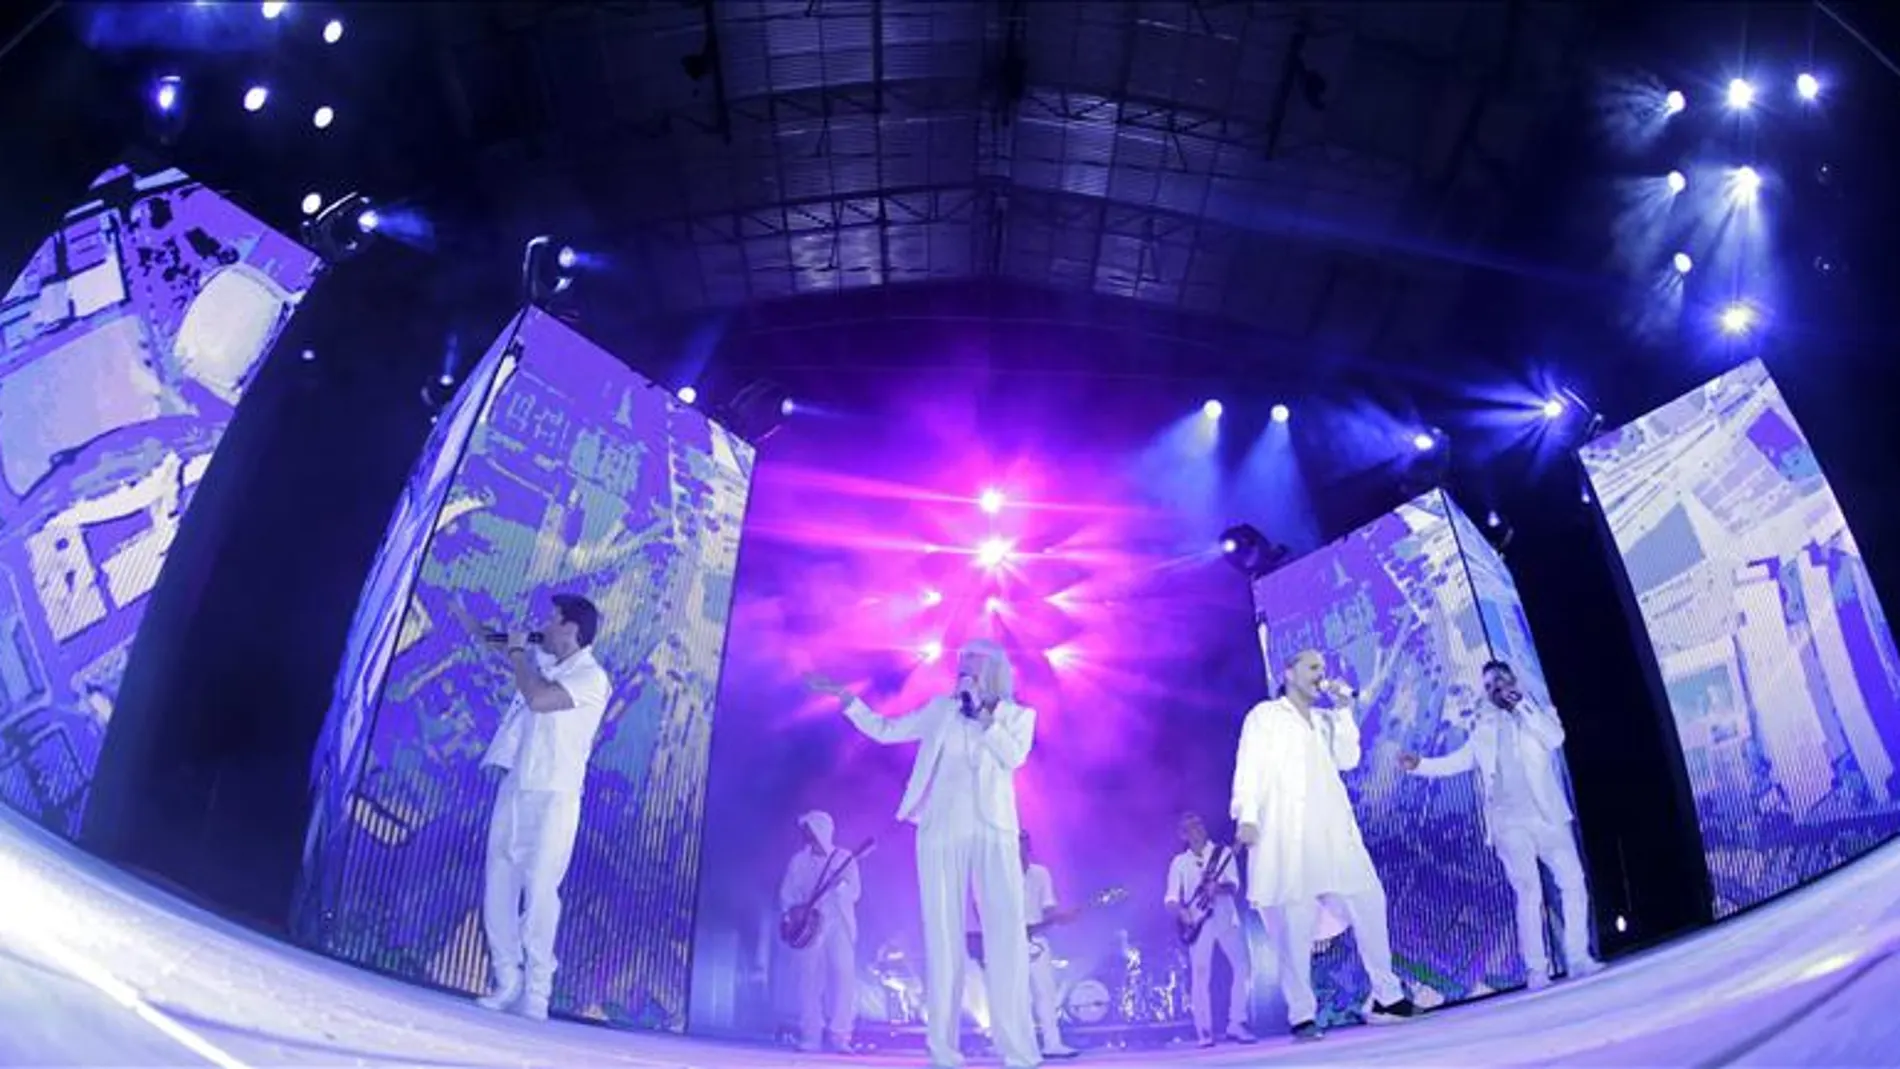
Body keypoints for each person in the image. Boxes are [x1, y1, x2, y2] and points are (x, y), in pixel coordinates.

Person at [808, 639, 1042, 1069]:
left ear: (992, 672)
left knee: (1006, 936)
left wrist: (984, 715)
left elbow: (1013, 756)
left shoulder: (1017, 716)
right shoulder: (940, 711)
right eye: (960, 667)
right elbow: (886, 730)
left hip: (995, 832)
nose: (963, 673)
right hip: (940, 831)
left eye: (971, 667)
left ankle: (1019, 1051)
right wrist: (848, 701)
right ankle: (944, 1053)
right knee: (943, 939)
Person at [1231, 649, 1420, 1039]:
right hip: (1288, 835)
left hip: (1334, 832)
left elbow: (1348, 760)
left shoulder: (1324, 721)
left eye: (1323, 668)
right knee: (1294, 927)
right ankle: (1302, 1013)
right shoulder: (1265, 716)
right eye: (1313, 667)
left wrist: (1346, 711)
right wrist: (1246, 815)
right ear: (1289, 672)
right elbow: (1248, 766)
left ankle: (1387, 995)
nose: (1321, 674)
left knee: (1368, 900)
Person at [1399, 660, 1600, 989]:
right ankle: (1536, 969)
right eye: (1489, 687)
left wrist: (1521, 705)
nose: (1495, 689)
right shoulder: (1483, 728)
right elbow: (1460, 762)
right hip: (1508, 822)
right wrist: (1419, 765)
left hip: (1547, 816)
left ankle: (1578, 957)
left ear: (1512, 679)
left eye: (1499, 681)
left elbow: (1555, 739)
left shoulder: (1539, 712)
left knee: (1573, 882)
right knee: (1528, 891)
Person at [460, 593, 612, 1021]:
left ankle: (537, 992)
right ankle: (507, 978)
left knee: (541, 889)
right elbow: (502, 640)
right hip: (517, 786)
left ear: (571, 629)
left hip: (555, 796)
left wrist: (516, 653)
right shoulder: (545, 658)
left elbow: (540, 699)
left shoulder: (591, 677)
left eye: (553, 618)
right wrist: (473, 625)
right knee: (499, 881)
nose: (545, 623)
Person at [1164, 812, 1255, 1047]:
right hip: (1198, 922)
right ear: (1183, 834)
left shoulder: (1223, 853)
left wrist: (1219, 888)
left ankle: (1237, 1022)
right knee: (1201, 975)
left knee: (1243, 967)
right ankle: (1203, 1030)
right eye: (1190, 827)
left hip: (1225, 918)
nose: (1197, 829)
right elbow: (1171, 898)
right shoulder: (1179, 863)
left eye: (1199, 824)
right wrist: (1182, 912)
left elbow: (1234, 886)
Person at [779, 810, 862, 1053]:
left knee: (843, 978)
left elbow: (855, 892)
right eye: (806, 830)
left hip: (839, 925)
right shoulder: (798, 861)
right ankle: (810, 1034)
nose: (808, 834)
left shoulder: (845, 858)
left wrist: (841, 889)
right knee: (809, 980)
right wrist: (794, 912)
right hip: (811, 928)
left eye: (812, 829)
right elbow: (787, 893)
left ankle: (840, 1035)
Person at [1018, 833, 1080, 1060]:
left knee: (1045, 992)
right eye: (1015, 842)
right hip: (1010, 943)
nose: (1019, 848)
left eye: (1023, 843)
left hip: (1038, 940)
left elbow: (1048, 908)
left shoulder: (1040, 874)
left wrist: (1061, 918)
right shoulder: (1001, 875)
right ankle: (1023, 1046)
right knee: (1020, 997)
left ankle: (1053, 1044)